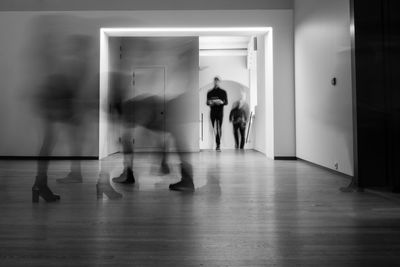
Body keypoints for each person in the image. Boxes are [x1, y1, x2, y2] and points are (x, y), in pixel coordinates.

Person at [206, 76, 228, 151]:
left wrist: (221, 102)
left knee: (219, 128)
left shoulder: (223, 92)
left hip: (220, 112)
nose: (216, 82)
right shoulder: (210, 92)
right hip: (213, 112)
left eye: (217, 81)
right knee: (213, 129)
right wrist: (210, 102)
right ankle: (213, 144)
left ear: (219, 82)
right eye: (215, 81)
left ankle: (218, 145)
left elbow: (226, 102)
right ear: (213, 82)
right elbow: (207, 103)